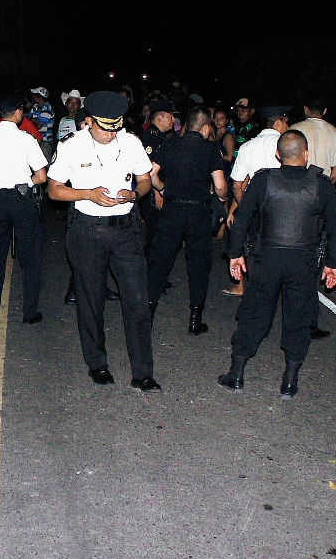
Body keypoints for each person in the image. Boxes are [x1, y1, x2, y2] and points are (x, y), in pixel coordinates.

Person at [47, 91, 161, 393]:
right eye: (104, 128)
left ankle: (143, 373)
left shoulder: (131, 142)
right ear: (89, 121)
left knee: (137, 300)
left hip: (126, 230)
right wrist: (88, 194)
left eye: (115, 128)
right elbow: (54, 190)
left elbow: (145, 179)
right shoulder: (71, 146)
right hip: (88, 230)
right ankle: (97, 364)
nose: (110, 134)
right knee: (91, 300)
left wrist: (134, 194)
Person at [218, 130, 336, 397]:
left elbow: (242, 219)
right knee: (298, 318)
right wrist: (333, 263)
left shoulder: (263, 180)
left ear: (278, 155)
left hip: (267, 260)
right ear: (306, 155)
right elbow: (335, 228)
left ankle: (236, 374)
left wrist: (235, 253)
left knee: (255, 314)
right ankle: (289, 381)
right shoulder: (321, 185)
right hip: (303, 262)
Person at [147, 107, 229, 334]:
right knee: (198, 266)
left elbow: (151, 174)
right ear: (205, 128)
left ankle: (148, 314)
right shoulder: (210, 149)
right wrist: (221, 197)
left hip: (172, 210)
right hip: (198, 213)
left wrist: (163, 189)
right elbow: (220, 185)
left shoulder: (170, 144)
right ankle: (195, 320)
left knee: (161, 261)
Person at [0, 94, 49, 324]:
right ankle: (30, 313)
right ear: (17, 113)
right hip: (22, 200)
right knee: (30, 257)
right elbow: (41, 176)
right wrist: (24, 183)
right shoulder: (27, 139)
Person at [225, 106, 292, 296]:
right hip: (284, 209)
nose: (287, 127)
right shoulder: (287, 146)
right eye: (286, 122)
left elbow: (237, 184)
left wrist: (246, 206)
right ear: (278, 122)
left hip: (257, 209)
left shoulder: (247, 146)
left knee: (256, 250)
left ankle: (258, 289)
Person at [140, 99, 177, 261]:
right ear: (159, 118)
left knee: (158, 232)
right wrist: (157, 192)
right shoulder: (152, 138)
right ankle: (150, 266)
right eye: (170, 116)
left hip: (158, 188)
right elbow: (148, 169)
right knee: (155, 233)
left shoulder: (161, 137)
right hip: (153, 191)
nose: (173, 120)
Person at [289, 97, 336, 183]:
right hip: (322, 183)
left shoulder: (294, 129)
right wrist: (327, 185)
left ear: (305, 109)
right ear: (325, 111)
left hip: (299, 182)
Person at [27, 87, 56, 160]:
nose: (33, 97)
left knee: (44, 162)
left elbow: (38, 126)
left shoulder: (47, 109)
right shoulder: (35, 107)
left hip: (45, 141)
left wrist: (31, 121)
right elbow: (26, 120)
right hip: (35, 139)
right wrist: (34, 120)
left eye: (34, 95)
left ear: (40, 97)